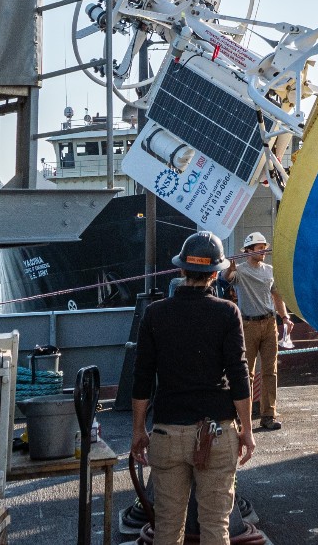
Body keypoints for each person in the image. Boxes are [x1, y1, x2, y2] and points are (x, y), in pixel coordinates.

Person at [131, 231, 255, 545]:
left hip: (167, 434)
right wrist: (247, 430)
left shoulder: (155, 314)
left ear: (181, 270)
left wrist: (138, 431)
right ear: (215, 273)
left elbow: (142, 377)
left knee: (168, 528)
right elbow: (239, 376)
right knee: (216, 527)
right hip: (216, 434)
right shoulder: (227, 313)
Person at [226, 230, 292, 431]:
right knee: (247, 372)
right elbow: (227, 277)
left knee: (270, 371)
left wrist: (285, 317)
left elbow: (276, 295)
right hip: (248, 325)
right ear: (248, 251)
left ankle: (268, 415)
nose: (264, 251)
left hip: (269, 322)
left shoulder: (269, 270)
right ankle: (239, 416)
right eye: (260, 248)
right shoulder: (240, 271)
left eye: (264, 248)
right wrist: (230, 266)